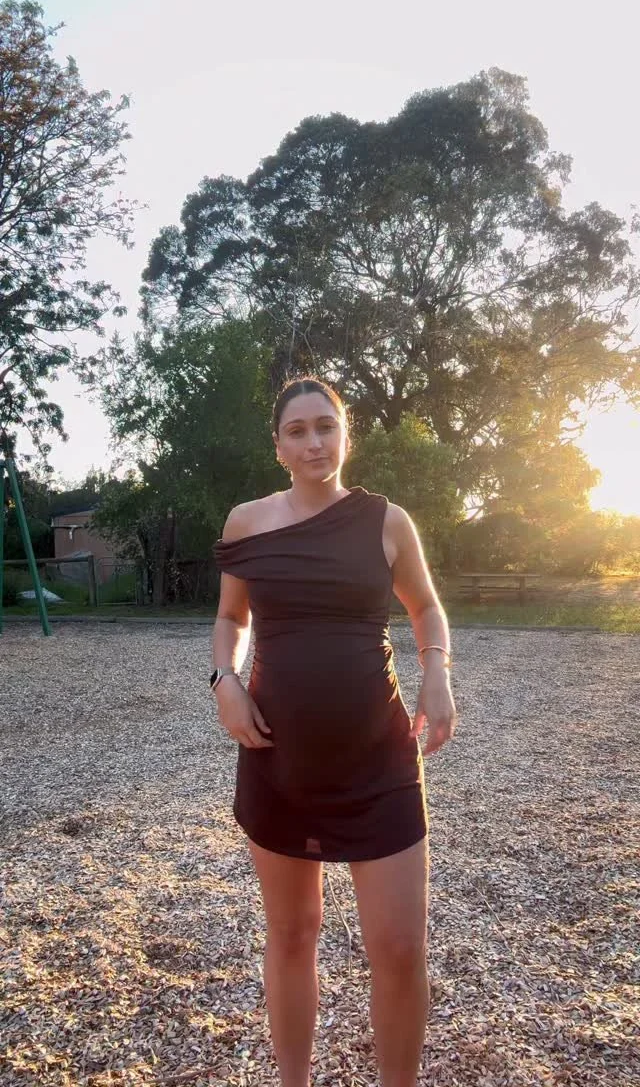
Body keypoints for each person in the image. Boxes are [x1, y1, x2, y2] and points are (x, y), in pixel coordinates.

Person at [211, 377, 457, 1087]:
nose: (315, 442)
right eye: (298, 431)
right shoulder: (246, 523)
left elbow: (426, 607)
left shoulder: (387, 522)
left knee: (401, 949)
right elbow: (230, 618)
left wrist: (436, 672)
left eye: (327, 426)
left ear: (347, 435)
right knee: (292, 935)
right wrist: (224, 680)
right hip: (278, 760)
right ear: (279, 446)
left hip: (379, 760)